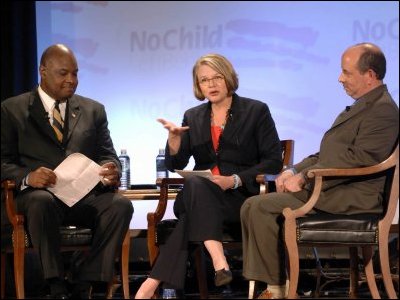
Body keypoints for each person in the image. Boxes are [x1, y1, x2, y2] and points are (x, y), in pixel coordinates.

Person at [241, 42, 399, 299]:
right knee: (253, 206)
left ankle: (277, 290)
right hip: (332, 190)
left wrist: (304, 177)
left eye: (346, 72)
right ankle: (277, 286)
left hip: (352, 198)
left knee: (258, 207)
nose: (340, 78)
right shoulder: (363, 106)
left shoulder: (383, 111)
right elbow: (325, 154)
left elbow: (360, 159)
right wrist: (293, 170)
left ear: (369, 75)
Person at [135, 53, 283, 298]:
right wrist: (174, 141)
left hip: (238, 198)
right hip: (198, 195)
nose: (211, 85)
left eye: (217, 78)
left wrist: (234, 179)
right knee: (196, 184)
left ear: (228, 79)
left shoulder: (256, 111)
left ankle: (151, 283)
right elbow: (177, 163)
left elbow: (273, 160)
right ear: (198, 85)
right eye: (204, 80)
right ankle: (219, 260)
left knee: (189, 213)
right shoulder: (193, 116)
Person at [1, 44, 134, 299]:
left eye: (75, 73)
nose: (71, 80)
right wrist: (28, 177)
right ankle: (55, 285)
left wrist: (111, 169)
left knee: (119, 206)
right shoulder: (12, 110)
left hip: (81, 195)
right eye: (63, 73)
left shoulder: (93, 110)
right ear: (43, 71)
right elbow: (3, 162)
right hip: (39, 197)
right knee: (40, 201)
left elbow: (107, 153)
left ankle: (89, 282)